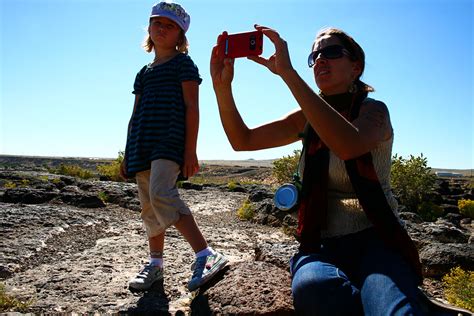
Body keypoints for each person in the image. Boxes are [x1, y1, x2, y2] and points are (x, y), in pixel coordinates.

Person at [211, 25, 467, 315]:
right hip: (321, 244)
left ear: (356, 67)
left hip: (377, 239)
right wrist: (222, 87)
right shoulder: (306, 118)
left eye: (331, 52)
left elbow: (349, 144)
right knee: (313, 290)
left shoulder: (374, 112)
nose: (319, 59)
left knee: (390, 310)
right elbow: (242, 141)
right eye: (314, 56)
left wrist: (288, 74)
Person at [121, 2, 227, 293]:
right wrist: (126, 151)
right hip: (142, 142)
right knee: (149, 206)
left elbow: (192, 107)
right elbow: (135, 114)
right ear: (149, 28)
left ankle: (206, 254)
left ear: (181, 35)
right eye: (157, 23)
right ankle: (155, 264)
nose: (161, 29)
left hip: (170, 140)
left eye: (170, 26)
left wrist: (190, 150)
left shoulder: (184, 64)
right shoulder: (143, 72)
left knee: (161, 193)